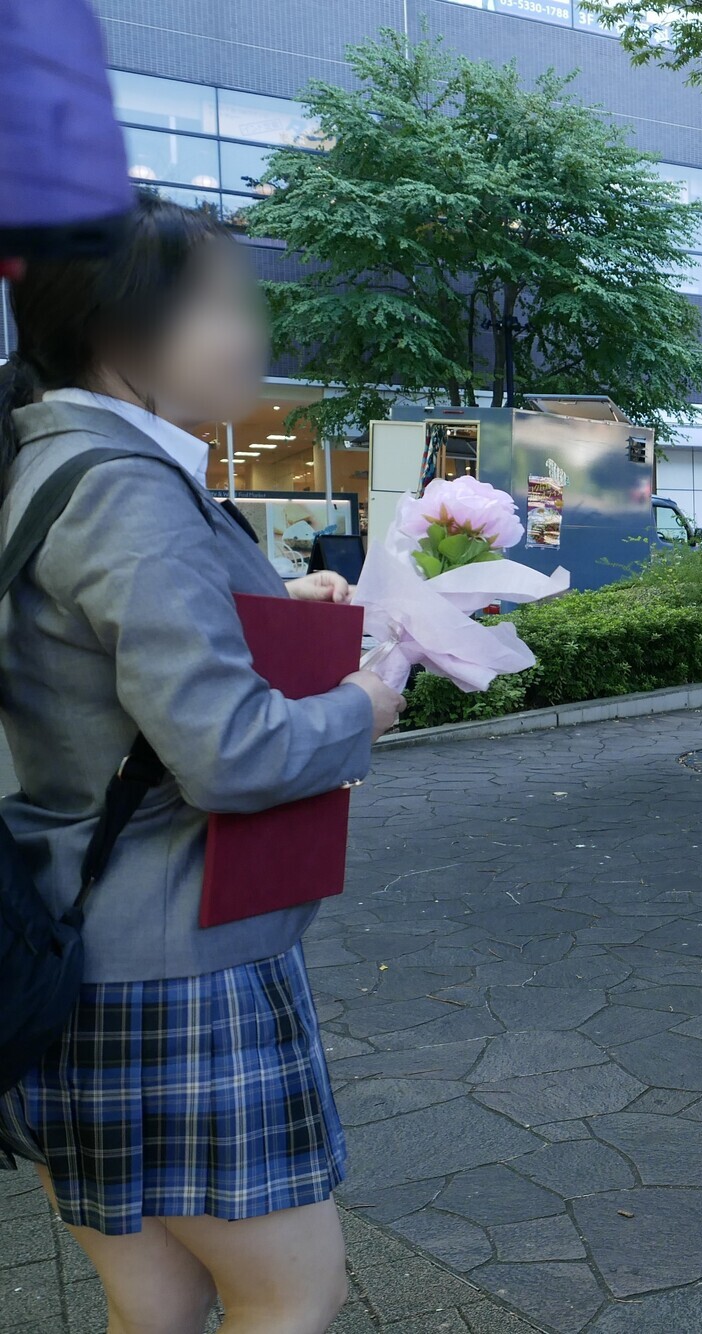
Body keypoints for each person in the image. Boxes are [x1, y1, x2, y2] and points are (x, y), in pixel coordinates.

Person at [0, 194, 406, 1334]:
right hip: (177, 964)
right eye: (223, 303)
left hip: (67, 945)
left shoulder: (53, 458)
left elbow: (94, 675)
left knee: (155, 1301)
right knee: (291, 1293)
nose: (253, 331)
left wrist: (276, 607)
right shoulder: (131, 487)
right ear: (128, 333)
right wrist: (359, 704)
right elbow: (225, 752)